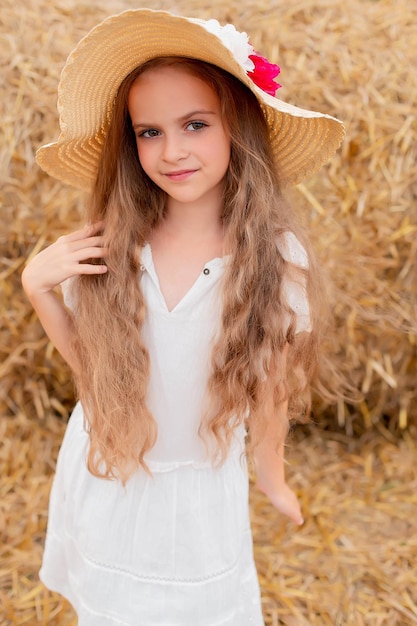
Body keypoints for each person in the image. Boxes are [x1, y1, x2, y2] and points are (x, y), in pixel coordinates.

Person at [22, 9, 344, 626]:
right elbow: (97, 371)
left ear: (237, 127)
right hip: (113, 470)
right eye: (148, 132)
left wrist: (271, 474)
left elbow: (270, 384)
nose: (172, 151)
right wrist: (38, 290)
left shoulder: (275, 260)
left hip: (197, 487)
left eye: (195, 124)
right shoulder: (114, 244)